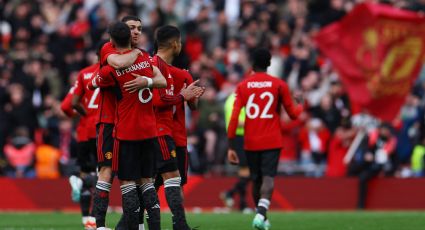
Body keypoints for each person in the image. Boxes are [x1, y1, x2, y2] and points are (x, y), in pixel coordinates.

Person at [93, 21, 166, 230]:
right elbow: (118, 63)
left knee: (129, 183)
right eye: (132, 28)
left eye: (140, 29)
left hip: (125, 130)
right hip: (127, 125)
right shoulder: (136, 55)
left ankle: (133, 226)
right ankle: (101, 225)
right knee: (143, 181)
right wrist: (138, 60)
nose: (136, 31)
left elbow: (96, 81)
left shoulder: (130, 59)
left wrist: (146, 80)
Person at [227, 48, 303, 230]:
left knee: (256, 179)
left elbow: (234, 118)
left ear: (252, 64)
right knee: (268, 178)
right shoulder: (279, 84)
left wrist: (231, 146)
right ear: (269, 64)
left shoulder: (243, 86)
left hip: (250, 141)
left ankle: (262, 217)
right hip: (272, 140)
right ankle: (261, 214)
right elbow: (293, 115)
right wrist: (300, 104)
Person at [151, 25, 204, 230]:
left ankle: (175, 224)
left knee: (173, 181)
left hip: (177, 137)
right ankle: (177, 226)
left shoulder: (180, 74)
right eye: (180, 42)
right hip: (158, 134)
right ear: (175, 44)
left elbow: (192, 105)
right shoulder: (153, 66)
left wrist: (192, 95)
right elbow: (158, 100)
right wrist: (183, 96)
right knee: (158, 182)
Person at [62, 54, 100, 229]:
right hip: (102, 130)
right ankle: (94, 219)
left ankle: (86, 220)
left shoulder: (84, 74)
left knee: (86, 171)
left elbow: (65, 106)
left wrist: (78, 117)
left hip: (83, 132)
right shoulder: (113, 73)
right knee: (103, 176)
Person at [221, 92, 251, 212]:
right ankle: (230, 194)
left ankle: (241, 203)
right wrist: (255, 123)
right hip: (238, 137)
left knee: (244, 172)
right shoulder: (234, 100)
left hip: (243, 137)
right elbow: (235, 121)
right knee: (247, 171)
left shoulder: (235, 98)